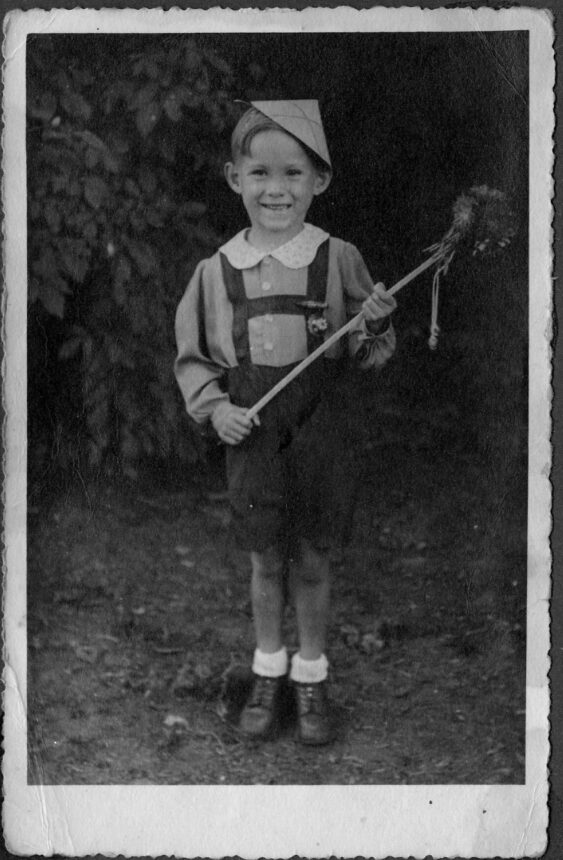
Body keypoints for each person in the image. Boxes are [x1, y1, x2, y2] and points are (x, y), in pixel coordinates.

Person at [175, 100, 397, 745]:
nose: (277, 189)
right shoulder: (215, 273)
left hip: (322, 435)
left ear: (319, 180)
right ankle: (267, 669)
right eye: (261, 173)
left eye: (294, 173)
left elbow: (365, 349)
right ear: (234, 178)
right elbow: (194, 362)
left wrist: (376, 320)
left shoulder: (339, 257)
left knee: (313, 559)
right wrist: (217, 410)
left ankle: (310, 675)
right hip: (255, 441)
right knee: (265, 559)